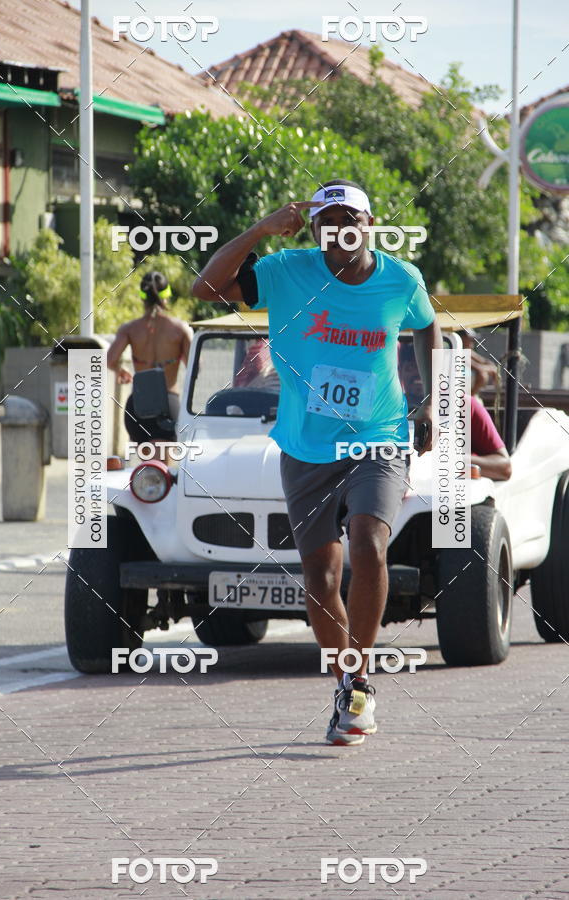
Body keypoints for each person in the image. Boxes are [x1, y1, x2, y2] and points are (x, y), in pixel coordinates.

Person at [193, 179, 443, 746]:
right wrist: (259, 231)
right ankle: (345, 680)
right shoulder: (285, 271)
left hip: (376, 438)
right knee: (321, 577)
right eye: (327, 222)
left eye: (349, 219)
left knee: (368, 543)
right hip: (305, 445)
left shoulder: (401, 279)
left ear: (369, 224)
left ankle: (359, 682)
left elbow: (427, 324)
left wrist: (426, 398)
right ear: (314, 230)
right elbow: (205, 286)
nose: (338, 232)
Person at [398, 341, 511, 480]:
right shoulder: (388, 409)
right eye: (410, 367)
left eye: (424, 367)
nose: (417, 373)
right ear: (400, 371)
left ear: (440, 371)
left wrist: (451, 461)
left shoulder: (464, 405)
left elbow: (504, 467)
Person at [107, 271, 193, 446]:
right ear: (166, 295)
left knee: (146, 470)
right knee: (163, 470)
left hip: (139, 404)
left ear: (142, 297)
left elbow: (110, 360)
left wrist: (120, 370)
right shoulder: (180, 329)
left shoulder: (129, 329)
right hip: (168, 403)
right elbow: (196, 365)